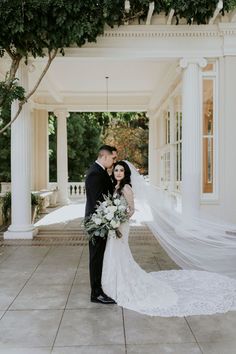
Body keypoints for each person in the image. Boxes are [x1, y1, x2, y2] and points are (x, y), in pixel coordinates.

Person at [101, 161, 236, 317]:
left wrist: (119, 219)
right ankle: (113, 283)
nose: (118, 172)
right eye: (116, 170)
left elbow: (131, 210)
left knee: (119, 252)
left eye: (121, 170)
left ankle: (122, 283)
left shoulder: (126, 188)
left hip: (122, 226)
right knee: (113, 251)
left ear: (126, 173)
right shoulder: (116, 187)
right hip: (115, 225)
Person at [85, 145, 117, 304]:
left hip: (101, 221)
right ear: (105, 157)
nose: (113, 161)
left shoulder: (101, 171)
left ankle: (99, 289)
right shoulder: (95, 174)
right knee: (96, 258)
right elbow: (99, 201)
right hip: (97, 222)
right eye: (112, 158)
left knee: (99, 256)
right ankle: (96, 293)